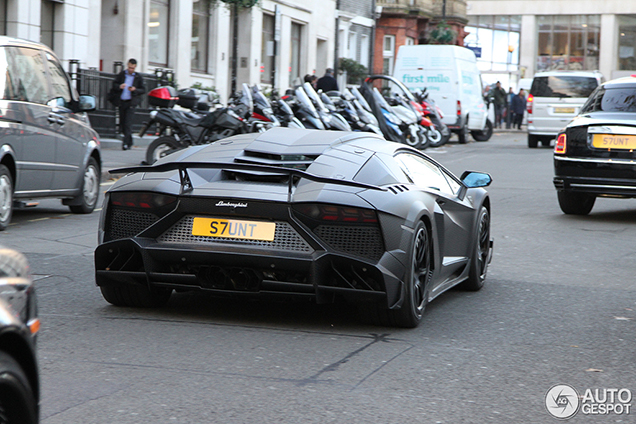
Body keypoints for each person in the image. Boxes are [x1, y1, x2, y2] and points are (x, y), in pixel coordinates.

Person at [111, 59, 145, 150]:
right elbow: (114, 85)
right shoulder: (122, 75)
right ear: (127, 65)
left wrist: (135, 90)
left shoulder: (138, 77)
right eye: (130, 67)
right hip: (122, 101)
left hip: (131, 102)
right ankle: (130, 142)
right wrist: (119, 87)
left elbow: (143, 90)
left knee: (128, 123)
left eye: (133, 68)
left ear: (135, 67)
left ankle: (125, 143)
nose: (131, 70)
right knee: (122, 122)